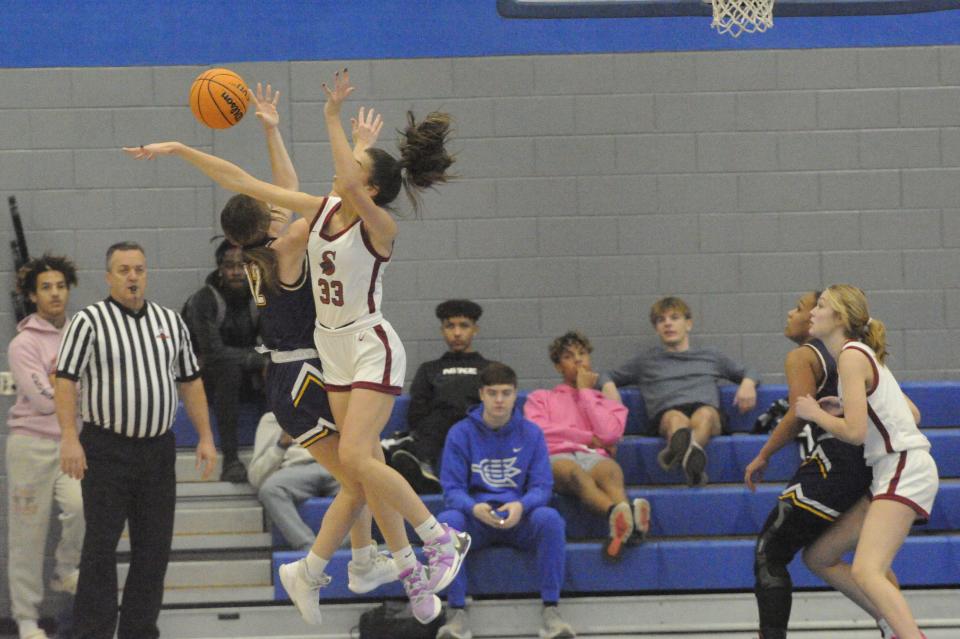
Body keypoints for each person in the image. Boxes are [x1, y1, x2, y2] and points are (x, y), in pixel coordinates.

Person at [125, 71, 469, 625]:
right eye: (276, 216)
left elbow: (324, 187)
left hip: (356, 345)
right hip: (315, 361)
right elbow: (295, 185)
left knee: (361, 468)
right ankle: (361, 565)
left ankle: (410, 551)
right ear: (267, 228)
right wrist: (338, 136)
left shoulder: (335, 222)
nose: (285, 212)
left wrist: (322, 130)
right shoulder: (292, 238)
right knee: (360, 472)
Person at [55, 242, 217, 639]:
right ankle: (93, 632)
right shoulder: (88, 321)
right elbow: (65, 380)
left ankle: (139, 632)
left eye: (139, 269)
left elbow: (190, 380)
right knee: (100, 548)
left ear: (147, 274)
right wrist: (69, 438)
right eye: (124, 270)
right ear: (109, 276)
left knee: (153, 551)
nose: (132, 277)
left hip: (157, 451)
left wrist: (206, 437)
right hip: (106, 449)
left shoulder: (169, 321)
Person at [743, 291, 894, 639]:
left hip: (836, 461)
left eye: (801, 307)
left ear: (824, 317)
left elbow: (798, 413)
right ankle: (895, 624)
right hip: (870, 465)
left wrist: (764, 453)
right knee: (853, 560)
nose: (793, 313)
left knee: (770, 552)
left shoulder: (803, 356)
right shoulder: (862, 353)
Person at [795, 285, 936, 639]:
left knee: (867, 571)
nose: (813, 311)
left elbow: (855, 434)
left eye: (821, 306)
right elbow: (912, 413)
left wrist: (815, 412)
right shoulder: (863, 355)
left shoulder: (850, 356)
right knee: (819, 556)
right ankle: (892, 625)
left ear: (840, 318)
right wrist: (845, 407)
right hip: (893, 469)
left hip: (903, 466)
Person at [436, 362, 575, 639]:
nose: (499, 400)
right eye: (492, 393)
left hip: (517, 517)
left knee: (549, 519)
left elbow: (542, 486)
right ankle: (457, 615)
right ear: (481, 394)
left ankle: (551, 611)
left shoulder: (532, 434)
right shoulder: (460, 433)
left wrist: (521, 505)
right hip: (477, 518)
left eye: (506, 393)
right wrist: (473, 508)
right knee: (447, 521)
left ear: (515, 394)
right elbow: (451, 489)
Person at [6, 255, 84, 639]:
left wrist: (61, 385)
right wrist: (71, 391)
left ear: (68, 290)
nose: (55, 294)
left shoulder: (82, 335)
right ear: (33, 296)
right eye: (46, 288)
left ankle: (65, 569)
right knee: (27, 534)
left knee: (81, 506)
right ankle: (25, 619)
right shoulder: (23, 343)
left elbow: (92, 392)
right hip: (31, 446)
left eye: (60, 286)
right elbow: (43, 400)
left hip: (74, 443)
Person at [602, 296, 760, 486]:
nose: (668, 324)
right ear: (656, 328)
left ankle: (677, 453)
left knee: (704, 414)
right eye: (661, 320)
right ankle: (691, 464)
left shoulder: (710, 356)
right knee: (676, 418)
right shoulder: (645, 362)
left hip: (707, 412)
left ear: (688, 324)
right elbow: (605, 376)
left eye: (674, 317)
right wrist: (609, 387)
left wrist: (748, 384)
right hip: (667, 415)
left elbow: (750, 371)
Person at [524, 331, 650, 562]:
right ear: (558, 366)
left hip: (592, 456)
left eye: (582, 354)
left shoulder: (604, 401)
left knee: (611, 471)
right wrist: (586, 437)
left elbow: (610, 435)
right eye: (569, 356)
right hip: (557, 456)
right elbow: (538, 431)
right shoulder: (541, 398)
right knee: (576, 474)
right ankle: (621, 514)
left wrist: (585, 393)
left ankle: (623, 525)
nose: (578, 360)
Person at [183, 238, 266, 482]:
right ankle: (230, 460)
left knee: (280, 367)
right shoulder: (203, 301)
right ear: (220, 269)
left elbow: (274, 343)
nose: (237, 272)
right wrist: (255, 359)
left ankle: (282, 454)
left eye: (243, 266)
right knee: (228, 368)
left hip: (250, 379)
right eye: (230, 266)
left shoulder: (259, 298)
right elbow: (212, 353)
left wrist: (265, 362)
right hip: (210, 383)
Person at [388, 299, 490, 493]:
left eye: (464, 326)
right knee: (436, 419)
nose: (457, 332)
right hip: (436, 430)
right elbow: (416, 412)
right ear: (442, 330)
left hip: (476, 426)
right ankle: (422, 468)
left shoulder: (488, 368)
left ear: (475, 329)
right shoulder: (430, 369)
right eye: (450, 326)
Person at [248, 411, 339, 551]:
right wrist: (281, 445)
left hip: (335, 465)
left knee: (368, 484)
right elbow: (256, 477)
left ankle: (342, 548)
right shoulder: (272, 419)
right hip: (295, 469)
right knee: (270, 489)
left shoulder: (336, 408)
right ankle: (311, 549)